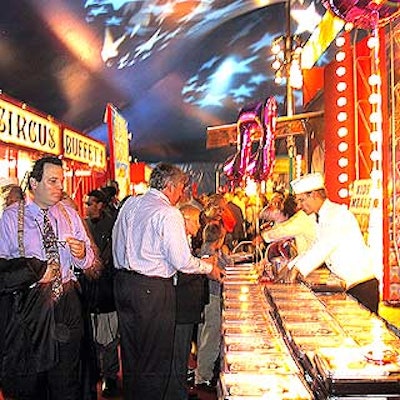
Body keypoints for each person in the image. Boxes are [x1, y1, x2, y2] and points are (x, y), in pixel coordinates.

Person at [112, 162, 223, 400]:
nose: (182, 193)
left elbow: (116, 243)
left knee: (132, 356)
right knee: (155, 358)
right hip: (152, 290)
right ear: (171, 186)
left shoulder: (130, 203)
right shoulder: (169, 213)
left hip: (123, 284)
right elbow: (181, 261)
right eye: (182, 187)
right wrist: (207, 267)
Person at [0, 155, 95, 399]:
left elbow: (89, 260)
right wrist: (34, 273)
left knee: (66, 379)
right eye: (52, 181)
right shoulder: (12, 217)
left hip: (67, 300)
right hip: (32, 305)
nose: (60, 187)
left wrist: (83, 253)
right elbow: (2, 267)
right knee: (32, 379)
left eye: (61, 181)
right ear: (34, 183)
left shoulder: (69, 215)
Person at [286, 173, 379, 314]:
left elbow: (323, 246)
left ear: (314, 195)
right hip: (350, 284)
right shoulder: (322, 216)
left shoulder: (337, 215)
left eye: (302, 200)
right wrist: (290, 266)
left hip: (362, 286)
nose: (299, 206)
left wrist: (296, 269)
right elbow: (314, 246)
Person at [165, 204, 208, 400]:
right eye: (197, 221)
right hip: (179, 307)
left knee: (181, 354)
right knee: (178, 354)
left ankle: (179, 390)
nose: (200, 225)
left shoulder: (187, 239)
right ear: (186, 220)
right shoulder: (176, 240)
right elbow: (177, 274)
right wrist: (205, 268)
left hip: (187, 306)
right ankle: (176, 393)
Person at [83, 189, 120, 398]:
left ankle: (111, 376)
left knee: (109, 338)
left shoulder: (112, 226)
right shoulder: (83, 224)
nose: (87, 207)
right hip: (91, 292)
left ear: (100, 205)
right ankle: (99, 373)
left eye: (90, 203)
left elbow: (111, 259)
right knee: (94, 336)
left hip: (105, 291)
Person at [195, 222, 231, 392]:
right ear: (220, 238)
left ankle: (204, 372)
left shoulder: (212, 250)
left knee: (207, 335)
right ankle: (204, 375)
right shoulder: (208, 252)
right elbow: (213, 273)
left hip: (211, 297)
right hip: (211, 297)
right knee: (210, 336)